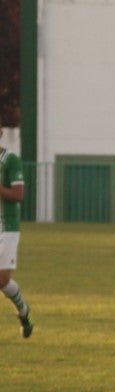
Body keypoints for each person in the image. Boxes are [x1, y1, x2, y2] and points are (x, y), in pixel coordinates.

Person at [0, 128, 32, 338]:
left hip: (7, 227)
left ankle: (23, 311)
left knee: (1, 281)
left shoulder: (10, 160)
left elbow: (18, 194)